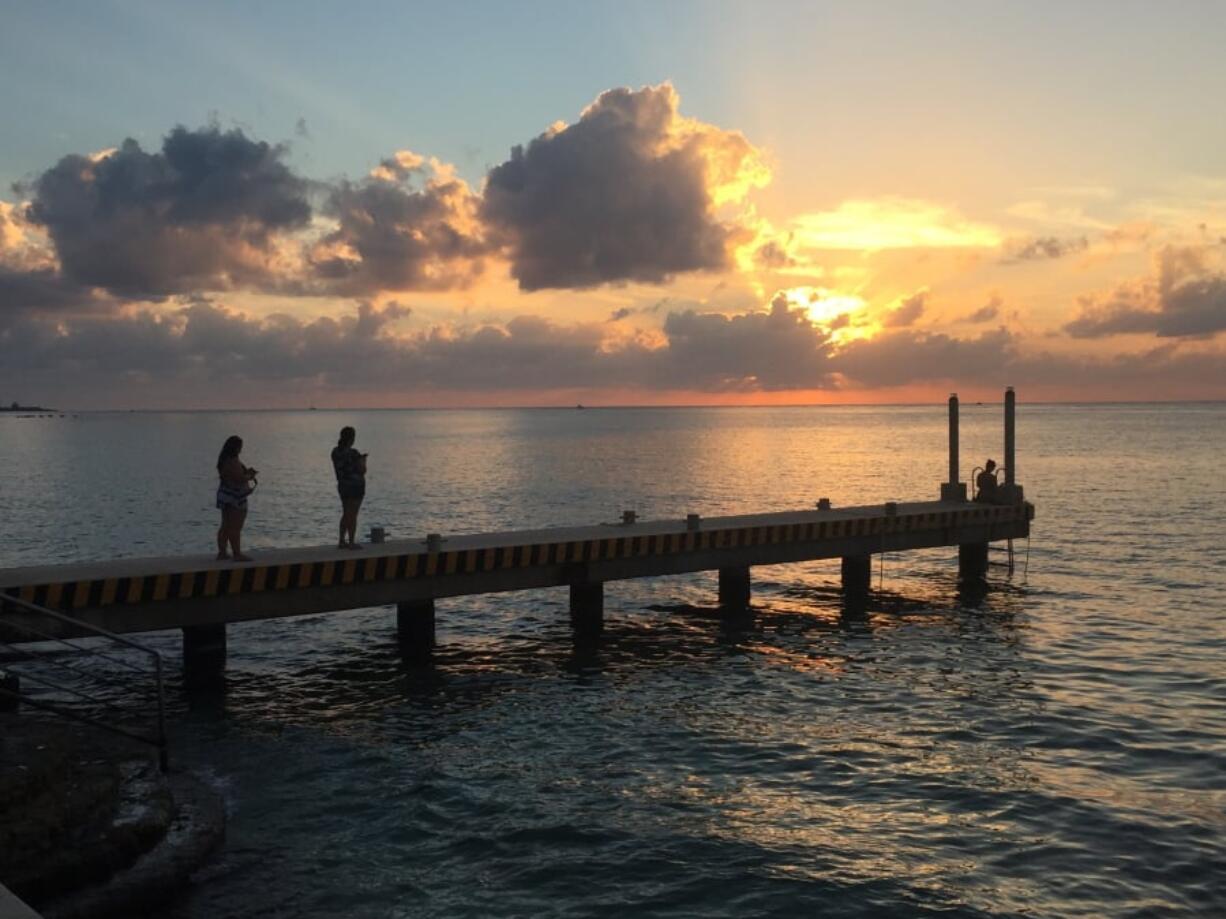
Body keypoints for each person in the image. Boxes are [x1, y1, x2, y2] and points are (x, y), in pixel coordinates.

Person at [216, 435, 258, 561]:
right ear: (235, 447)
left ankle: (222, 552)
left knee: (225, 525)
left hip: (226, 495)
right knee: (235, 527)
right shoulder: (232, 461)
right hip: (235, 498)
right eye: (240, 447)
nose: (241, 450)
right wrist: (249, 476)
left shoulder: (224, 460)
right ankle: (237, 554)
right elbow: (238, 478)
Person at [331, 426, 367, 549]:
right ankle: (351, 542)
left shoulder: (335, 452)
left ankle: (341, 540)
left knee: (346, 513)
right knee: (353, 514)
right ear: (352, 438)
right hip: (355, 487)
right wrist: (363, 461)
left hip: (343, 486)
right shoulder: (354, 453)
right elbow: (362, 470)